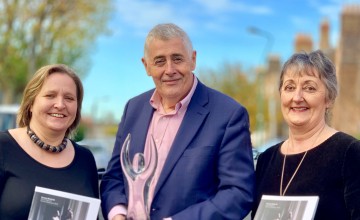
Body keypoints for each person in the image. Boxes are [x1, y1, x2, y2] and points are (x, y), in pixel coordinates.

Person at [100, 23, 255, 220]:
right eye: (159, 61)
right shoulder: (133, 108)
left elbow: (237, 193)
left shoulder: (228, 114)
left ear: (193, 60)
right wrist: (117, 215)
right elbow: (114, 177)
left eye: (177, 59)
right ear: (146, 66)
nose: (170, 69)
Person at [252, 50, 360, 219]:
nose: (297, 97)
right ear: (281, 95)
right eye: (289, 87)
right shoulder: (266, 159)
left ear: (329, 99)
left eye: (309, 88)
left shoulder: (350, 153)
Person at [0, 64, 99, 219]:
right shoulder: (3, 147)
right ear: (31, 103)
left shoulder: (85, 159)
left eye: (69, 98)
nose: (60, 105)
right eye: (50, 95)